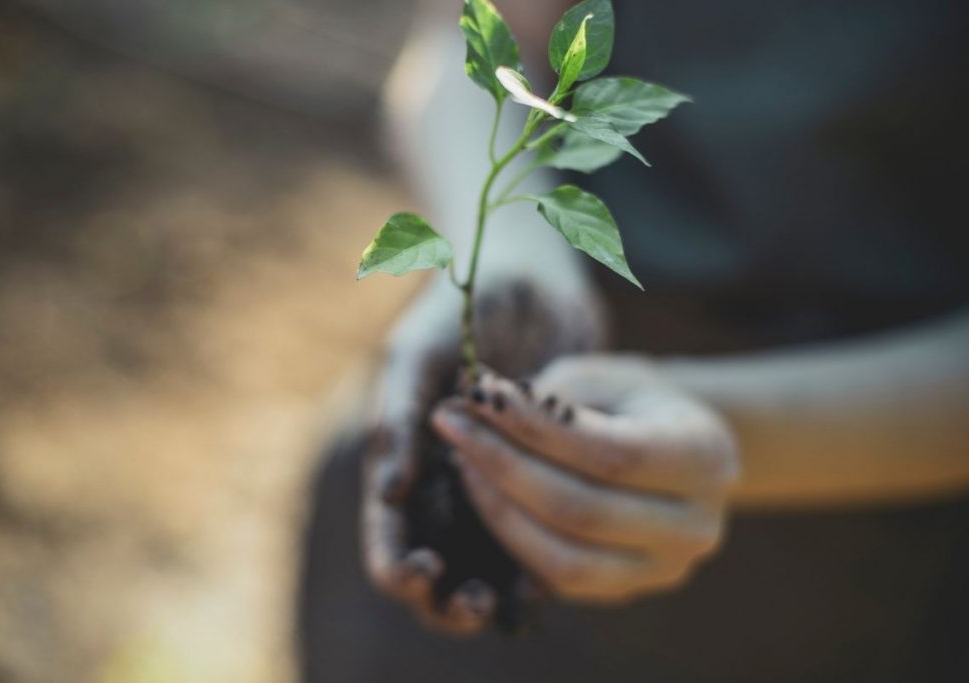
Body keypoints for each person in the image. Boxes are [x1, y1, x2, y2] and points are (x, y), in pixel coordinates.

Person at [299, 1, 969, 680]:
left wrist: (729, 431)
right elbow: (472, 39)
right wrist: (506, 252)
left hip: (860, 546)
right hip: (484, 508)